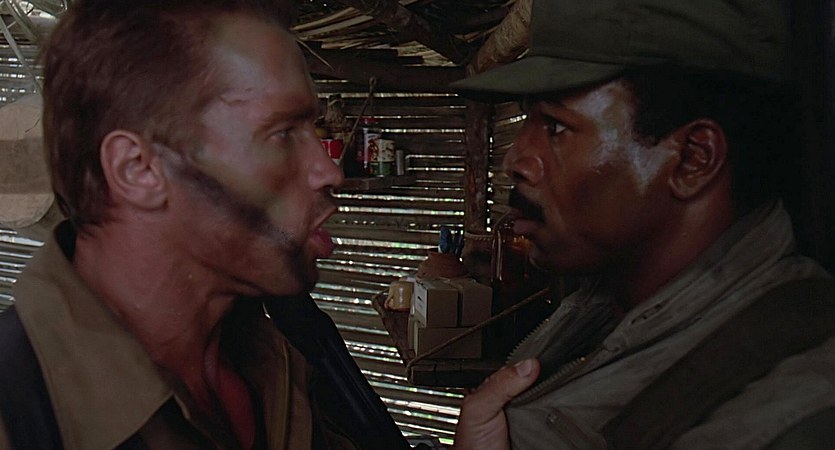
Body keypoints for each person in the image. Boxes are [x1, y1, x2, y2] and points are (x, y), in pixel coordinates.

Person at [0, 1, 407, 448]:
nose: (329, 172)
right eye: (282, 133)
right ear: (139, 169)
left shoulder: (273, 367)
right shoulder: (20, 410)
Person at [450, 0, 835, 448]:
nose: (515, 160)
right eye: (526, 120)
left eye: (555, 127)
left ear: (693, 160)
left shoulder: (791, 414)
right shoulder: (605, 306)